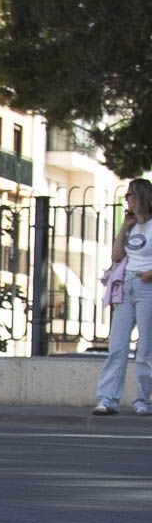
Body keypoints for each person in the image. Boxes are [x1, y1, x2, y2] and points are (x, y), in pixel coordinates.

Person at [93, 178, 152, 416]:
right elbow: (117, 256)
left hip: (147, 286)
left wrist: (149, 274)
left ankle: (142, 400)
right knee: (117, 346)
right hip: (125, 286)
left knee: (145, 348)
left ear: (140, 197)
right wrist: (123, 228)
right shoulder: (131, 225)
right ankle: (108, 399)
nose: (126, 199)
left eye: (130, 195)